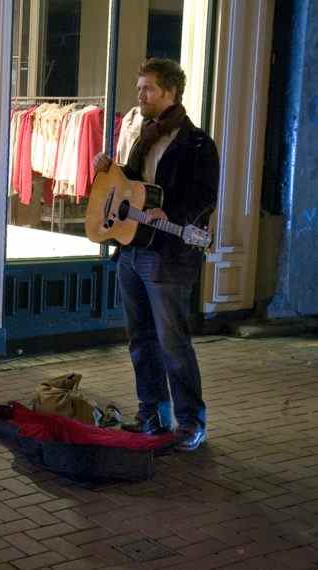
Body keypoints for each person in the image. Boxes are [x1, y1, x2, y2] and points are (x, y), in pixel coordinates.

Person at [93, 58, 219, 452]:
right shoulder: (144, 134)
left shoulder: (198, 143)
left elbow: (205, 197)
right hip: (132, 249)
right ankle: (153, 416)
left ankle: (190, 422)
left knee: (172, 342)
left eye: (147, 88)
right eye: (139, 87)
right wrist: (107, 169)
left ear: (169, 91)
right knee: (140, 339)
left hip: (168, 254)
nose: (140, 95)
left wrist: (174, 214)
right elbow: (130, 185)